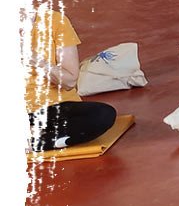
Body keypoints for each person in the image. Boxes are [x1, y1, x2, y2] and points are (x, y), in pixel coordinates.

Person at [25, 9, 118, 152]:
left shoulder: (55, 22)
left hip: (54, 109)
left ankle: (37, 142)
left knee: (102, 115)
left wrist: (36, 60)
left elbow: (69, 81)